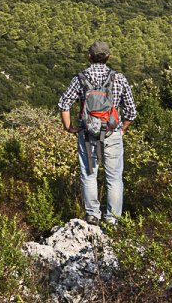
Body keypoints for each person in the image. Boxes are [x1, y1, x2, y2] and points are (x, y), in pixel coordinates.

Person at [58, 41, 136, 226]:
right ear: (108, 57)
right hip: (111, 134)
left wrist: (69, 127)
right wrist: (121, 129)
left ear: (89, 57)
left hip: (87, 134)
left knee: (89, 175)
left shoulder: (80, 78)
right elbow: (131, 111)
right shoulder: (119, 78)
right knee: (114, 178)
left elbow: (64, 104)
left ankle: (92, 215)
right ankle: (112, 220)